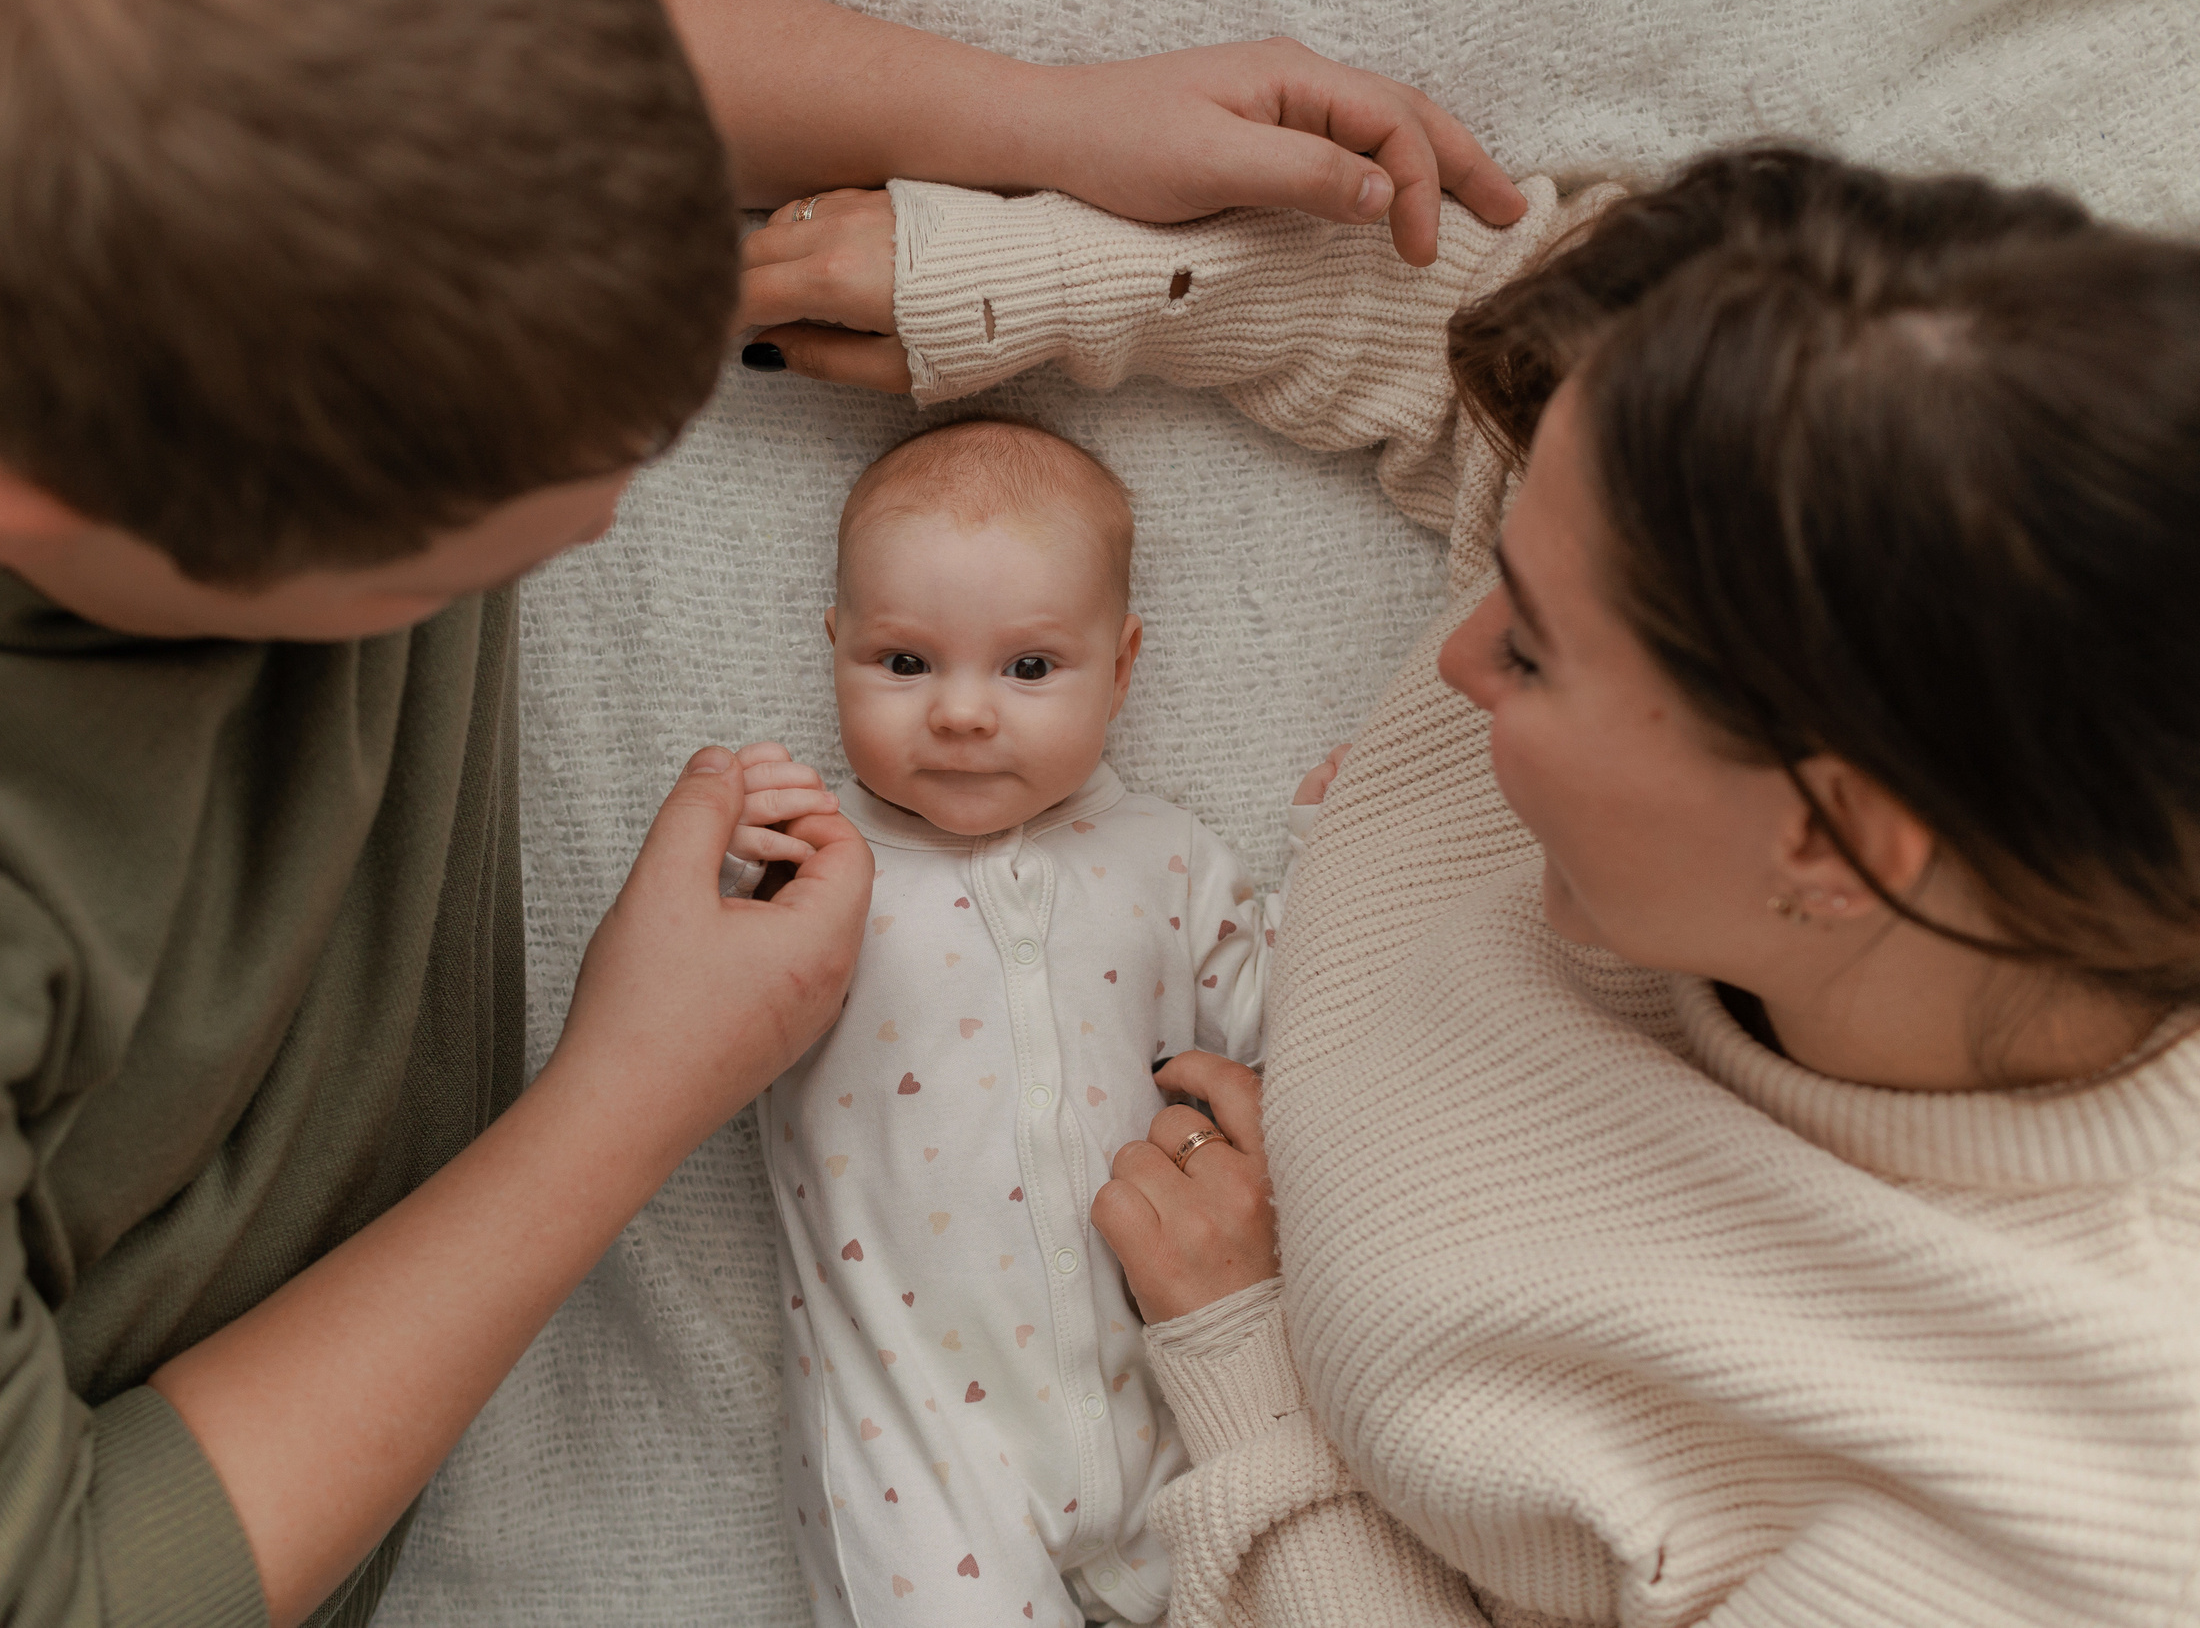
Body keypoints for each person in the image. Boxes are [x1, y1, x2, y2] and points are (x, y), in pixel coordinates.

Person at [0, 0, 1533, 1624]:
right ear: (26, 524)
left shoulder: (70, 10)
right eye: (458, 554)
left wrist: (1037, 129)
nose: (618, 519)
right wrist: (618, 1102)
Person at [741, 148, 2200, 1624]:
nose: (1454, 653)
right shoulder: (1778, 521)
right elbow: (1526, 326)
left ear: (1832, 837)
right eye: (1499, 561)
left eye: (1538, 647)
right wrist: (1050, 275)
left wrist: (1251, 1370)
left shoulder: (2048, 1509)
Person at [719, 418, 1322, 1625]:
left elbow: (1280, 1029)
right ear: (833, 648)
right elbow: (700, 1012)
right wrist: (734, 867)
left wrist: (1333, 867)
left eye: (1028, 669)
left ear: (1122, 665)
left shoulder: (1167, 858)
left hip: (1163, 1397)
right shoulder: (820, 867)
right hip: (922, 1436)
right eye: (903, 663)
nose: (959, 714)